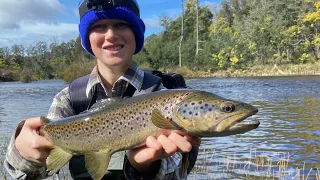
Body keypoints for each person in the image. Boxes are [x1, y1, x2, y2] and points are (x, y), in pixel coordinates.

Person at [4, 0, 200, 179]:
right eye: (99, 26)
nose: (111, 35)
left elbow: (178, 174)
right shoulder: (69, 99)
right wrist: (23, 154)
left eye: (121, 24)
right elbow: (26, 175)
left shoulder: (167, 97)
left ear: (137, 34)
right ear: (88, 39)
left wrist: (146, 167)